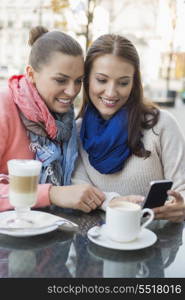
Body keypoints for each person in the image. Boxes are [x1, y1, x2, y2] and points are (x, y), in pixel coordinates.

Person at [72, 33, 185, 222]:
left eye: (123, 82)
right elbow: (79, 187)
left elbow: (182, 188)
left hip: (156, 242)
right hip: (99, 241)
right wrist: (113, 202)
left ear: (133, 84)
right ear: (87, 80)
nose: (111, 92)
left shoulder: (162, 125)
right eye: (101, 80)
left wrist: (181, 206)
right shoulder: (76, 132)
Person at [0, 26, 105, 213]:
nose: (72, 91)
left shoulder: (66, 120)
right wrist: (51, 193)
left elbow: (75, 187)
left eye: (78, 81)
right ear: (31, 74)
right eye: (60, 80)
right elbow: (61, 194)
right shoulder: (4, 106)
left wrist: (111, 202)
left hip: (51, 231)